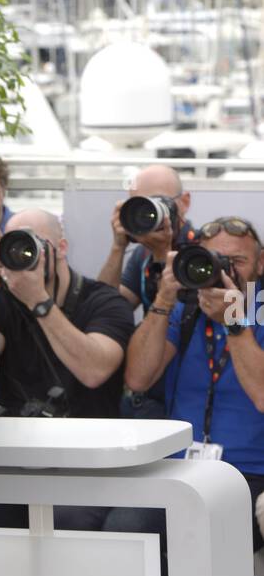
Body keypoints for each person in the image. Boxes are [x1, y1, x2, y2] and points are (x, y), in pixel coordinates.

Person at [124, 216, 264, 576]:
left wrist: (235, 322)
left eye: (236, 260)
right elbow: (138, 378)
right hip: (180, 468)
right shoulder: (184, 312)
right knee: (124, 528)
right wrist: (165, 297)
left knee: (201, 531)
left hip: (249, 472)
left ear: (259, 265)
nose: (223, 269)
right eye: (210, 259)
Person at [0, 207, 134, 533]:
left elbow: (94, 370)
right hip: (18, 458)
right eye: (14, 244)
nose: (24, 253)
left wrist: (39, 302)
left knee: (70, 521)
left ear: (60, 248)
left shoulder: (103, 302)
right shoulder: (3, 303)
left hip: (87, 463)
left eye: (33, 243)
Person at [97, 163, 197, 420]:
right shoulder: (142, 253)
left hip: (181, 387)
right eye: (141, 204)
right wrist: (118, 247)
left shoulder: (199, 251)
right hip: (145, 386)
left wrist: (164, 254)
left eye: (159, 201)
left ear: (184, 203)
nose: (151, 212)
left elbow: (185, 314)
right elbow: (106, 309)